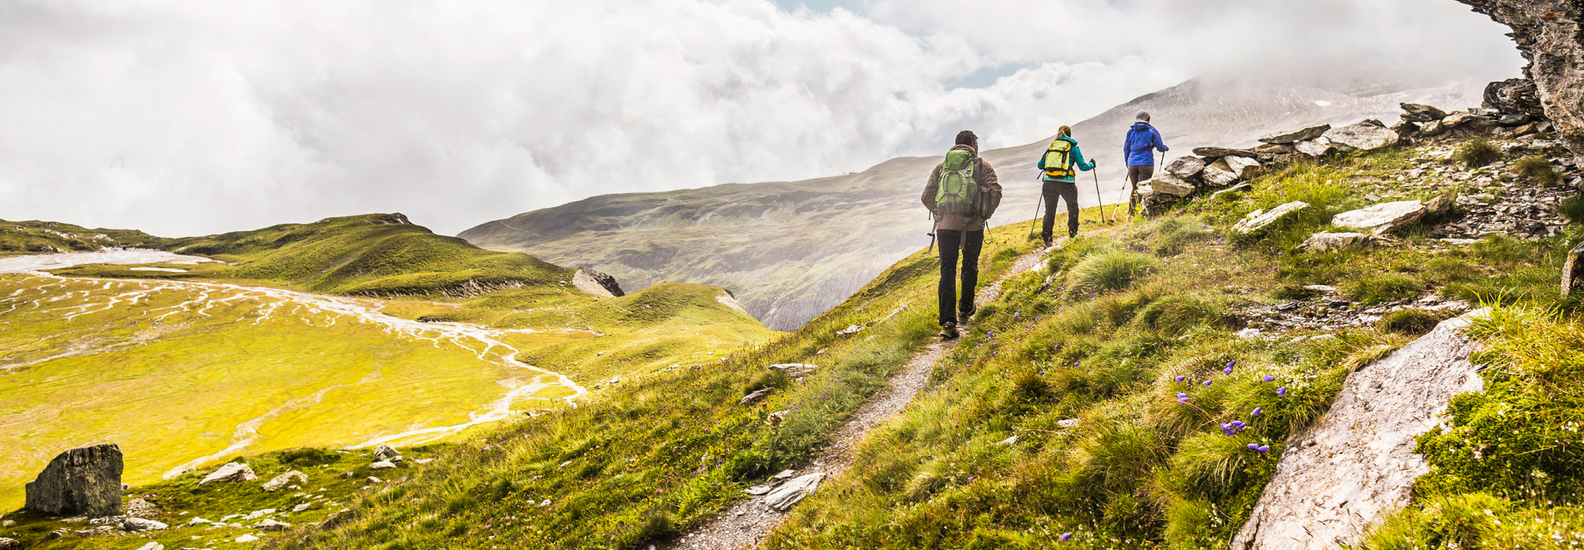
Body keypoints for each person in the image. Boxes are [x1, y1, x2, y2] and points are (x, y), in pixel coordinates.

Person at [921, 130, 1002, 339]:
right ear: (973, 144)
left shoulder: (941, 167)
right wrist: (984, 215)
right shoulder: (982, 166)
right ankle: (965, 310)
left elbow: (926, 196)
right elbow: (995, 191)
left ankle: (948, 323)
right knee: (970, 266)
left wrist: (939, 212)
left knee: (947, 270)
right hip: (973, 225)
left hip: (945, 226)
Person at [1037, 125, 1096, 246]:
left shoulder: (1052, 146)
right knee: (1073, 208)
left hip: (1049, 183)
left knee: (1049, 211)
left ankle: (1047, 240)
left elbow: (1040, 165)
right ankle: (1073, 235)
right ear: (1070, 135)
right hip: (1066, 183)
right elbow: (1083, 167)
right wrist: (1092, 164)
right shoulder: (1073, 148)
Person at [1123, 111, 1169, 217]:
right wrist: (1165, 148)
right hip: (1146, 163)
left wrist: (1128, 162)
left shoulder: (1131, 132)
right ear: (1148, 119)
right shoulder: (1152, 131)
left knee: (1135, 188)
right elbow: (1160, 147)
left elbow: (1126, 149)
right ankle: (1142, 212)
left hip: (1132, 164)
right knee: (1143, 187)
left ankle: (1131, 213)